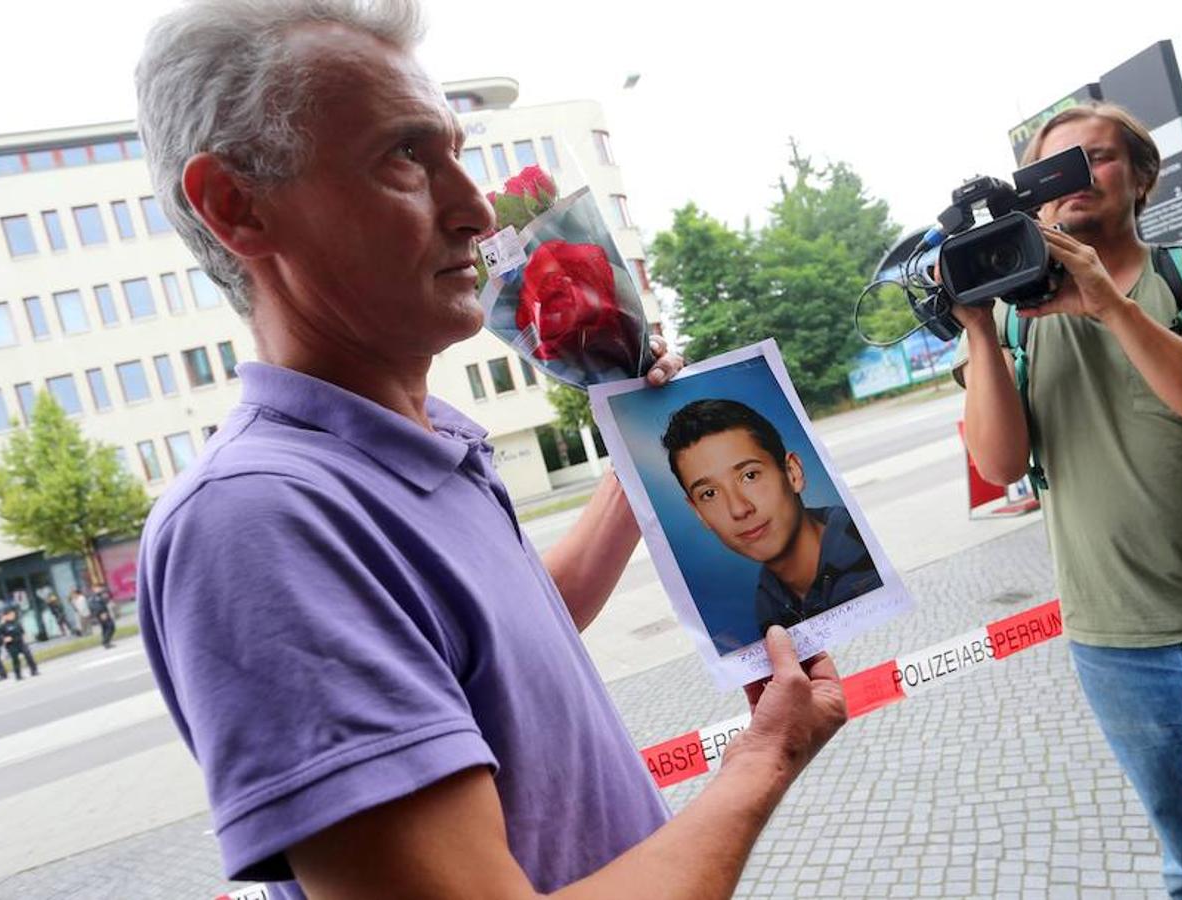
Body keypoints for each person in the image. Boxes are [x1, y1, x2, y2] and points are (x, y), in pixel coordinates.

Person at [133, 2, 846, 897]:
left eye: (456, 157)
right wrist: (766, 755)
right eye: (403, 156)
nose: (474, 211)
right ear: (237, 206)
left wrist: (643, 458)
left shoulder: (428, 445)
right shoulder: (258, 522)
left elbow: (503, 634)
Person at [954, 101, 1182, 897]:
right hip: (1117, 650)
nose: (1074, 181)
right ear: (1030, 198)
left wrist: (1108, 305)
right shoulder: (1014, 322)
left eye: (1097, 159)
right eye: (1052, 171)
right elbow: (1001, 462)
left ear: (1142, 178)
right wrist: (978, 328)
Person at [662, 399, 881, 634]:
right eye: (709, 493)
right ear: (698, 512)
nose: (738, 509)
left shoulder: (871, 546)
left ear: (792, 473)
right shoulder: (768, 606)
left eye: (750, 475)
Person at [0, 607, 39, 680]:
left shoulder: (17, 622)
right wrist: (4, 639)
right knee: (15, 660)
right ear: (6, 616)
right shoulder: (2, 626)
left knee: (28, 656)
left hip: (20, 642)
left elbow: (22, 632)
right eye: (11, 614)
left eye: (13, 614)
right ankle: (18, 675)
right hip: (11, 645)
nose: (13, 615)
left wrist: (25, 639)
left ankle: (34, 670)